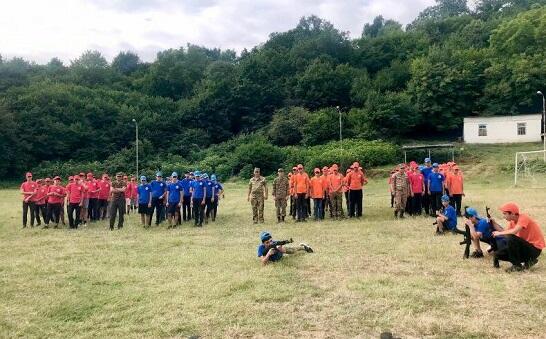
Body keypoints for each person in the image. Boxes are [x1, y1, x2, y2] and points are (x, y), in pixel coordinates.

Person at [491, 203, 545, 272]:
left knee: (511, 237)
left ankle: (517, 265)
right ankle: (530, 261)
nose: (503, 216)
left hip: (534, 250)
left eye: (505, 214)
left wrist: (499, 233)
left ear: (512, 213)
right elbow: (506, 233)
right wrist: (494, 223)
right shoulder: (512, 222)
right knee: (497, 254)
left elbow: (513, 232)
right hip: (525, 249)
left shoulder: (524, 217)